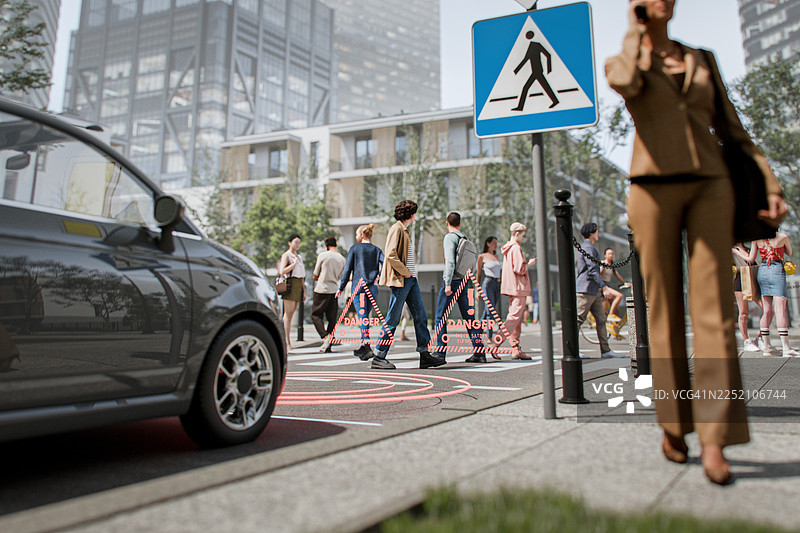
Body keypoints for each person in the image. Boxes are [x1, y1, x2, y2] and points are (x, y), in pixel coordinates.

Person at [606, 0, 786, 485]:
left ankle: (714, 438)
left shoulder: (703, 59)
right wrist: (634, 32)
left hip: (711, 183)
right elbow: (623, 81)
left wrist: (769, 182)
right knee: (662, 310)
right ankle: (673, 423)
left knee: (716, 310)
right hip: (652, 189)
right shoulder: (627, 58)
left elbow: (734, 131)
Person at [371, 200, 446, 370]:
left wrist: (410, 275)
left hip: (410, 280)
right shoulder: (397, 228)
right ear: (410, 214)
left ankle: (424, 354)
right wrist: (406, 272)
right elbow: (390, 254)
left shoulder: (404, 230)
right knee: (393, 317)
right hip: (402, 279)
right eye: (414, 213)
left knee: (420, 315)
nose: (415, 216)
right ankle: (378, 355)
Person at [433, 212, 486, 363]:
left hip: (453, 281)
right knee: (469, 319)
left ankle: (440, 352)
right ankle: (479, 351)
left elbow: (450, 261)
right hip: (464, 282)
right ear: (460, 224)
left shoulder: (450, 237)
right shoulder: (465, 238)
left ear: (446, 223)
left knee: (440, 318)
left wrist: (447, 282)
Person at [575, 223, 624, 359]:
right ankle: (573, 351)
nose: (598, 234)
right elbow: (592, 270)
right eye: (596, 231)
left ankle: (606, 350)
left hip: (593, 290)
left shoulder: (589, 247)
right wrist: (604, 287)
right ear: (591, 233)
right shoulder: (588, 248)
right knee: (578, 320)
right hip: (586, 290)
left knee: (601, 319)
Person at [336, 224, 384, 360]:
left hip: (359, 287)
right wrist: (378, 277)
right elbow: (385, 263)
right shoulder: (376, 250)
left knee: (362, 316)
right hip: (372, 287)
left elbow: (347, 270)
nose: (356, 236)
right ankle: (364, 346)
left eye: (357, 234)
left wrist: (341, 287)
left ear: (362, 234)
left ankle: (367, 346)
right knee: (365, 316)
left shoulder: (355, 249)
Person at [747, 232, 798, 357]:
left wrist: (736, 251)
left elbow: (750, 259)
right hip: (776, 270)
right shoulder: (783, 237)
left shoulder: (756, 239)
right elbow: (789, 253)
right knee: (780, 310)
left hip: (762, 271)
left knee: (766, 311)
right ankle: (786, 348)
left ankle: (767, 347)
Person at [500, 222, 537, 360]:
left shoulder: (508, 248)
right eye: (523, 235)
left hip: (512, 288)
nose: (523, 238)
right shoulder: (515, 248)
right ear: (517, 234)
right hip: (518, 288)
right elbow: (519, 269)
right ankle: (496, 342)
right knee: (514, 318)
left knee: (516, 320)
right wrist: (530, 263)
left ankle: (515, 348)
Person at [312, 236, 346, 353]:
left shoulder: (323, 255)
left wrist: (318, 276)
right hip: (334, 290)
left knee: (316, 315)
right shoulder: (342, 259)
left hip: (322, 289)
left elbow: (315, 274)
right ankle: (329, 344)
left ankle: (325, 337)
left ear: (327, 246)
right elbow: (341, 276)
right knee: (332, 319)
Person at [732, 243, 761, 353]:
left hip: (753, 280)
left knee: (769, 310)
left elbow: (753, 263)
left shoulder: (749, 249)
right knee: (744, 313)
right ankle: (747, 341)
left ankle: (760, 338)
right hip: (740, 281)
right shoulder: (732, 250)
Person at [278, 233, 305, 352]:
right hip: (290, 284)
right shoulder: (287, 255)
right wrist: (293, 264)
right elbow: (282, 270)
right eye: (295, 242)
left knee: (292, 314)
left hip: (299, 285)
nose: (297, 244)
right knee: (287, 316)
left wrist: (303, 291)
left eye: (299, 242)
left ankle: (287, 341)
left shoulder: (299, 256)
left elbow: (302, 276)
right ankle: (286, 342)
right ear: (290, 243)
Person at [476, 236, 502, 359]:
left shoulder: (497, 257)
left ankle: (476, 333)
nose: (495, 245)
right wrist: (478, 290)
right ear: (488, 244)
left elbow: (500, 272)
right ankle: (489, 338)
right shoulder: (482, 256)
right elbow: (479, 274)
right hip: (487, 284)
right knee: (490, 312)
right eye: (494, 243)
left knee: (487, 312)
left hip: (497, 284)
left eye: (496, 243)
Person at [600, 248, 631, 321]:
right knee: (619, 296)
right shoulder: (602, 264)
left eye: (612, 254)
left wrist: (624, 283)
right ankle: (610, 315)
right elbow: (598, 275)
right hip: (603, 286)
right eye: (609, 254)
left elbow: (617, 275)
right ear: (605, 255)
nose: (611, 255)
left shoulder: (612, 265)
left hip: (608, 285)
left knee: (617, 311)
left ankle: (613, 328)